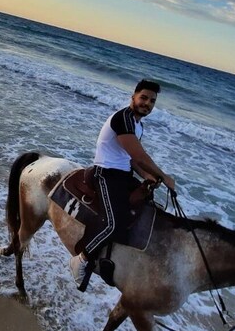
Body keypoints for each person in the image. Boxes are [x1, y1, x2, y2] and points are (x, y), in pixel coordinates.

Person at [69, 79, 177, 287]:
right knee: (113, 222)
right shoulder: (123, 118)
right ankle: (80, 259)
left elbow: (133, 160)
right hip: (105, 173)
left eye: (152, 101)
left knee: (146, 209)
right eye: (143, 97)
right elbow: (139, 154)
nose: (147, 103)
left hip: (123, 174)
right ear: (133, 97)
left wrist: (147, 176)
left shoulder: (138, 125)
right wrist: (165, 176)